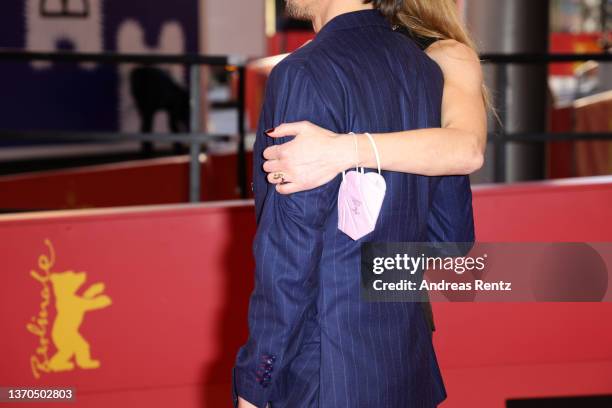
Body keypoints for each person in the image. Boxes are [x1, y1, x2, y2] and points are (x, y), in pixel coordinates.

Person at [232, 1, 475, 407]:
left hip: (323, 370)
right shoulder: (424, 68)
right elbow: (451, 238)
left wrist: (257, 380)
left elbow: (289, 254)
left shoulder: (304, 72)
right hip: (404, 365)